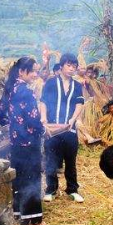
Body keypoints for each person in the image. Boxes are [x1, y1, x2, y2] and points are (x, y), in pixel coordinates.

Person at [0, 57, 45, 225]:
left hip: (16, 143)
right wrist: (41, 130)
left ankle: (18, 213)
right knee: (31, 179)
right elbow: (33, 119)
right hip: (30, 144)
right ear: (22, 71)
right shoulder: (26, 91)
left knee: (19, 178)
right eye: (33, 71)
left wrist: (12, 127)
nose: (35, 75)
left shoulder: (10, 89)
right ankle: (32, 218)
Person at [40, 53, 85, 203]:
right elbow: (43, 102)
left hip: (69, 129)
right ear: (61, 66)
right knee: (51, 160)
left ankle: (72, 189)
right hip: (52, 128)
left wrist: (73, 119)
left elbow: (79, 103)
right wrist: (44, 119)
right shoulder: (51, 83)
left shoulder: (77, 85)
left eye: (74, 66)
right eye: (69, 65)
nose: (72, 69)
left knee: (70, 161)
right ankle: (51, 190)